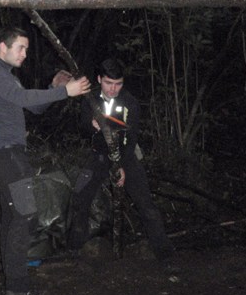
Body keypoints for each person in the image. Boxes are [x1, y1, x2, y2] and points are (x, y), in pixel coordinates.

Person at [0, 26, 90, 295]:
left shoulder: (7, 79)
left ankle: (12, 280)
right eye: (21, 48)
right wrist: (65, 91)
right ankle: (18, 288)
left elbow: (33, 107)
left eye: (26, 49)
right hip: (5, 157)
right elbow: (24, 99)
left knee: (14, 217)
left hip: (11, 157)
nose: (25, 54)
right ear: (3, 46)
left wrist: (54, 87)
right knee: (26, 215)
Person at [68, 58, 175, 261]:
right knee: (80, 196)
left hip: (126, 155)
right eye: (109, 83)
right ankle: (76, 249)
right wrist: (92, 126)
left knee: (145, 203)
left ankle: (164, 253)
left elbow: (132, 137)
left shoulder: (130, 103)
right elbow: (82, 128)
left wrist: (123, 166)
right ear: (99, 79)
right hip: (99, 155)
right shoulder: (90, 100)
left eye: (118, 84)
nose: (113, 89)